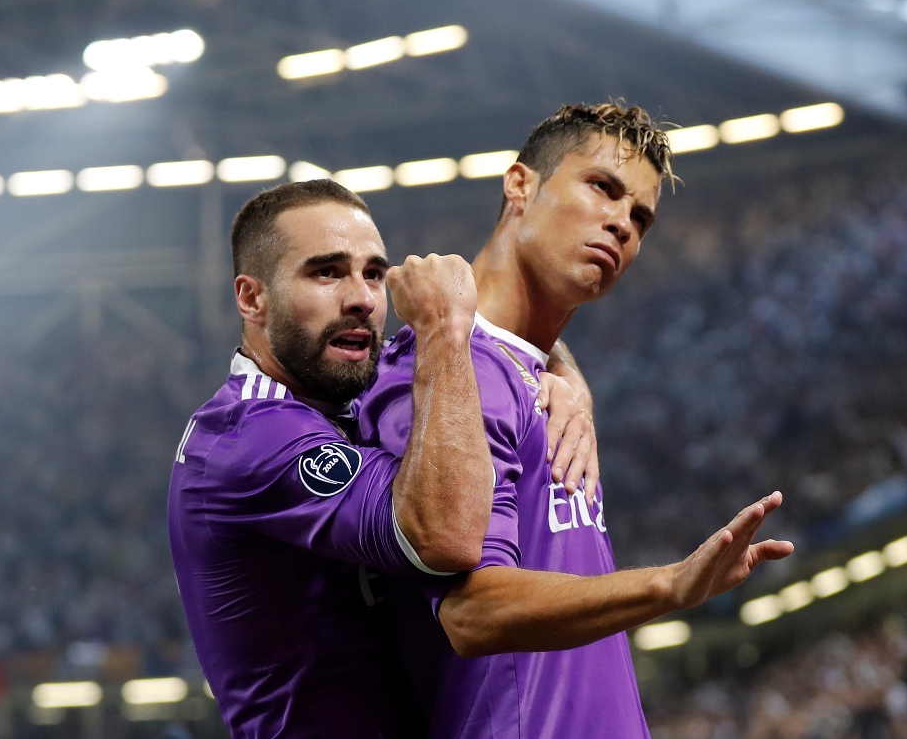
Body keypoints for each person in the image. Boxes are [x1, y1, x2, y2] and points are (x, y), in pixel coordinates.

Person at [357, 102, 795, 738]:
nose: (621, 223)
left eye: (640, 217)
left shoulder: (539, 381)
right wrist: (669, 585)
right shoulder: (441, 375)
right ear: (520, 184)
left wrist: (562, 370)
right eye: (602, 187)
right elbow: (470, 613)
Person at [167, 180, 594, 739]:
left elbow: (507, 326)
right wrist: (443, 328)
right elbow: (446, 538)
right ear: (252, 299)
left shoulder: (358, 380)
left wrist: (562, 374)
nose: (362, 299)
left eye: (372, 273)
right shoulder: (244, 438)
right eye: (326, 272)